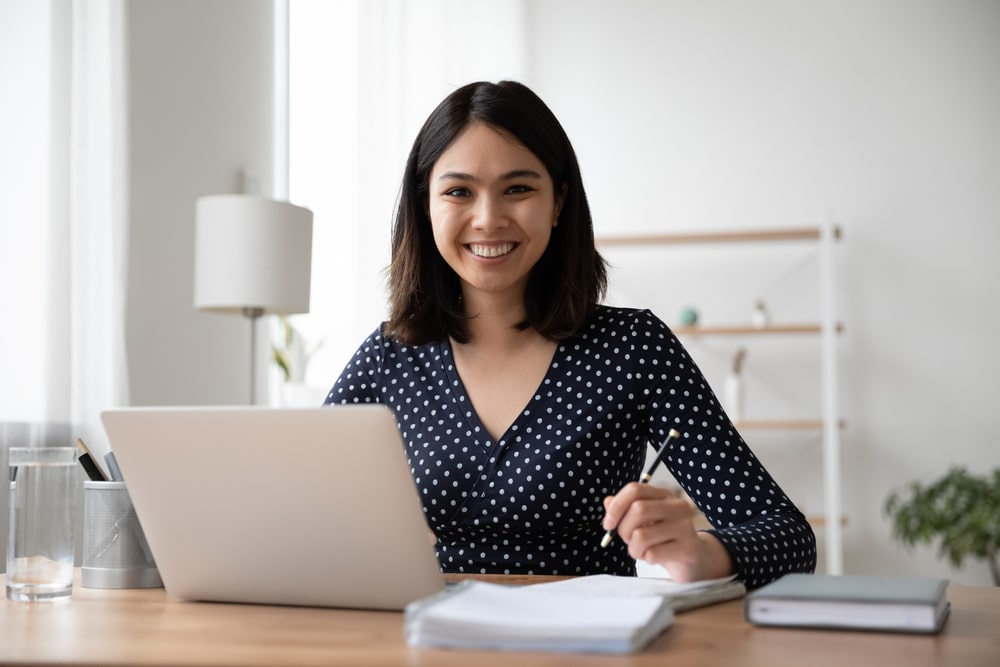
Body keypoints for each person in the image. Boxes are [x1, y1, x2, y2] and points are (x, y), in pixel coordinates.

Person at [325, 80, 816, 589]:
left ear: (558, 202)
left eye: (518, 188)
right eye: (458, 191)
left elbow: (790, 538)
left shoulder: (634, 347)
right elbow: (294, 518)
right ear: (426, 207)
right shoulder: (388, 358)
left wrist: (700, 553)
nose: (488, 218)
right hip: (421, 641)